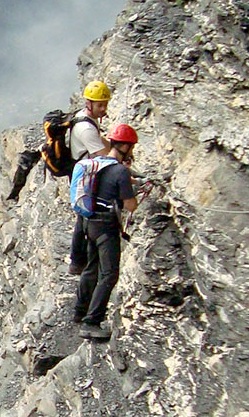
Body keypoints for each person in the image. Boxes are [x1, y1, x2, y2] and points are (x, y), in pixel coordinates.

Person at [74, 123, 139, 340]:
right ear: (125, 146)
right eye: (131, 147)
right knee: (109, 274)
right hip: (106, 228)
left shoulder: (99, 164)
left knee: (92, 268)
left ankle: (79, 311)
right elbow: (130, 205)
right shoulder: (120, 171)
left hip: (89, 223)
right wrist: (134, 192)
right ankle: (91, 322)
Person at [68, 81, 112, 275]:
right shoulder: (86, 128)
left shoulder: (83, 118)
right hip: (85, 177)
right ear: (89, 103)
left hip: (81, 171)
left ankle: (80, 260)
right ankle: (77, 261)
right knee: (84, 216)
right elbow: (103, 155)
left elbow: (100, 142)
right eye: (100, 105)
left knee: (84, 215)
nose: (103, 109)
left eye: (105, 104)